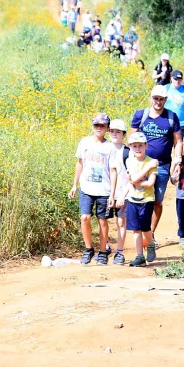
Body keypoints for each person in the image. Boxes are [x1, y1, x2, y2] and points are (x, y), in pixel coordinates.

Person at [130, 85, 183, 257]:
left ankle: (150, 233)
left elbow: (178, 141)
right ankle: (141, 232)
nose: (158, 102)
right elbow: (131, 140)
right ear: (151, 98)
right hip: (140, 165)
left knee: (157, 201)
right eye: (155, 98)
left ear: (165, 100)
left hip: (162, 166)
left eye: (161, 99)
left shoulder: (171, 117)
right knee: (140, 199)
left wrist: (178, 160)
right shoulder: (141, 115)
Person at [69, 113, 118, 265]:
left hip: (104, 190)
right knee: (85, 218)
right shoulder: (84, 142)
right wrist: (74, 184)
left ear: (107, 129)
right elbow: (80, 163)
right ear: (92, 126)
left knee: (102, 221)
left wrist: (113, 194)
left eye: (102, 126)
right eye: (96, 125)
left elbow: (113, 171)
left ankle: (103, 251)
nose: (99, 128)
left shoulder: (110, 147)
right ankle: (88, 248)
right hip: (86, 188)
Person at [109, 119, 141, 265]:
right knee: (103, 222)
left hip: (124, 193)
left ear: (123, 135)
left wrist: (123, 195)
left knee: (121, 222)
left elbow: (131, 176)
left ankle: (119, 252)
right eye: (112, 131)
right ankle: (105, 248)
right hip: (106, 192)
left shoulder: (127, 153)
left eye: (118, 132)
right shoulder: (105, 148)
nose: (115, 134)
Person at [125, 132, 159, 267]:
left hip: (147, 199)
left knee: (145, 228)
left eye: (140, 145)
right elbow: (133, 179)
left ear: (146, 145)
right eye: (134, 146)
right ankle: (139, 256)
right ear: (130, 147)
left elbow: (150, 183)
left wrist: (136, 181)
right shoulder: (130, 161)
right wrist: (146, 168)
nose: (137, 149)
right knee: (135, 229)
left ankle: (150, 245)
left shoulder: (152, 162)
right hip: (133, 199)